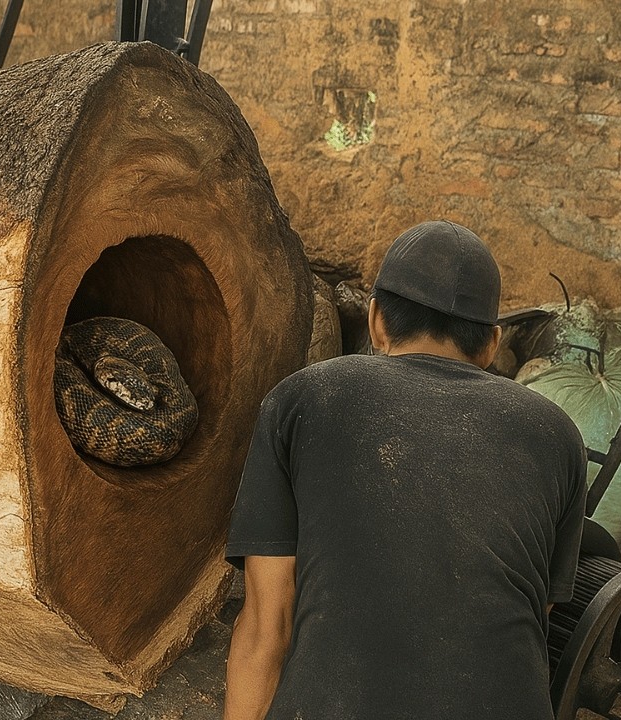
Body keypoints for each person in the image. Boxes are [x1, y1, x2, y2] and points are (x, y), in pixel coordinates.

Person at [221, 220, 586, 720]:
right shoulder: (558, 435)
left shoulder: (301, 400)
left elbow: (267, 627)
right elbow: (530, 623)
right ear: (492, 344)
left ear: (374, 320)